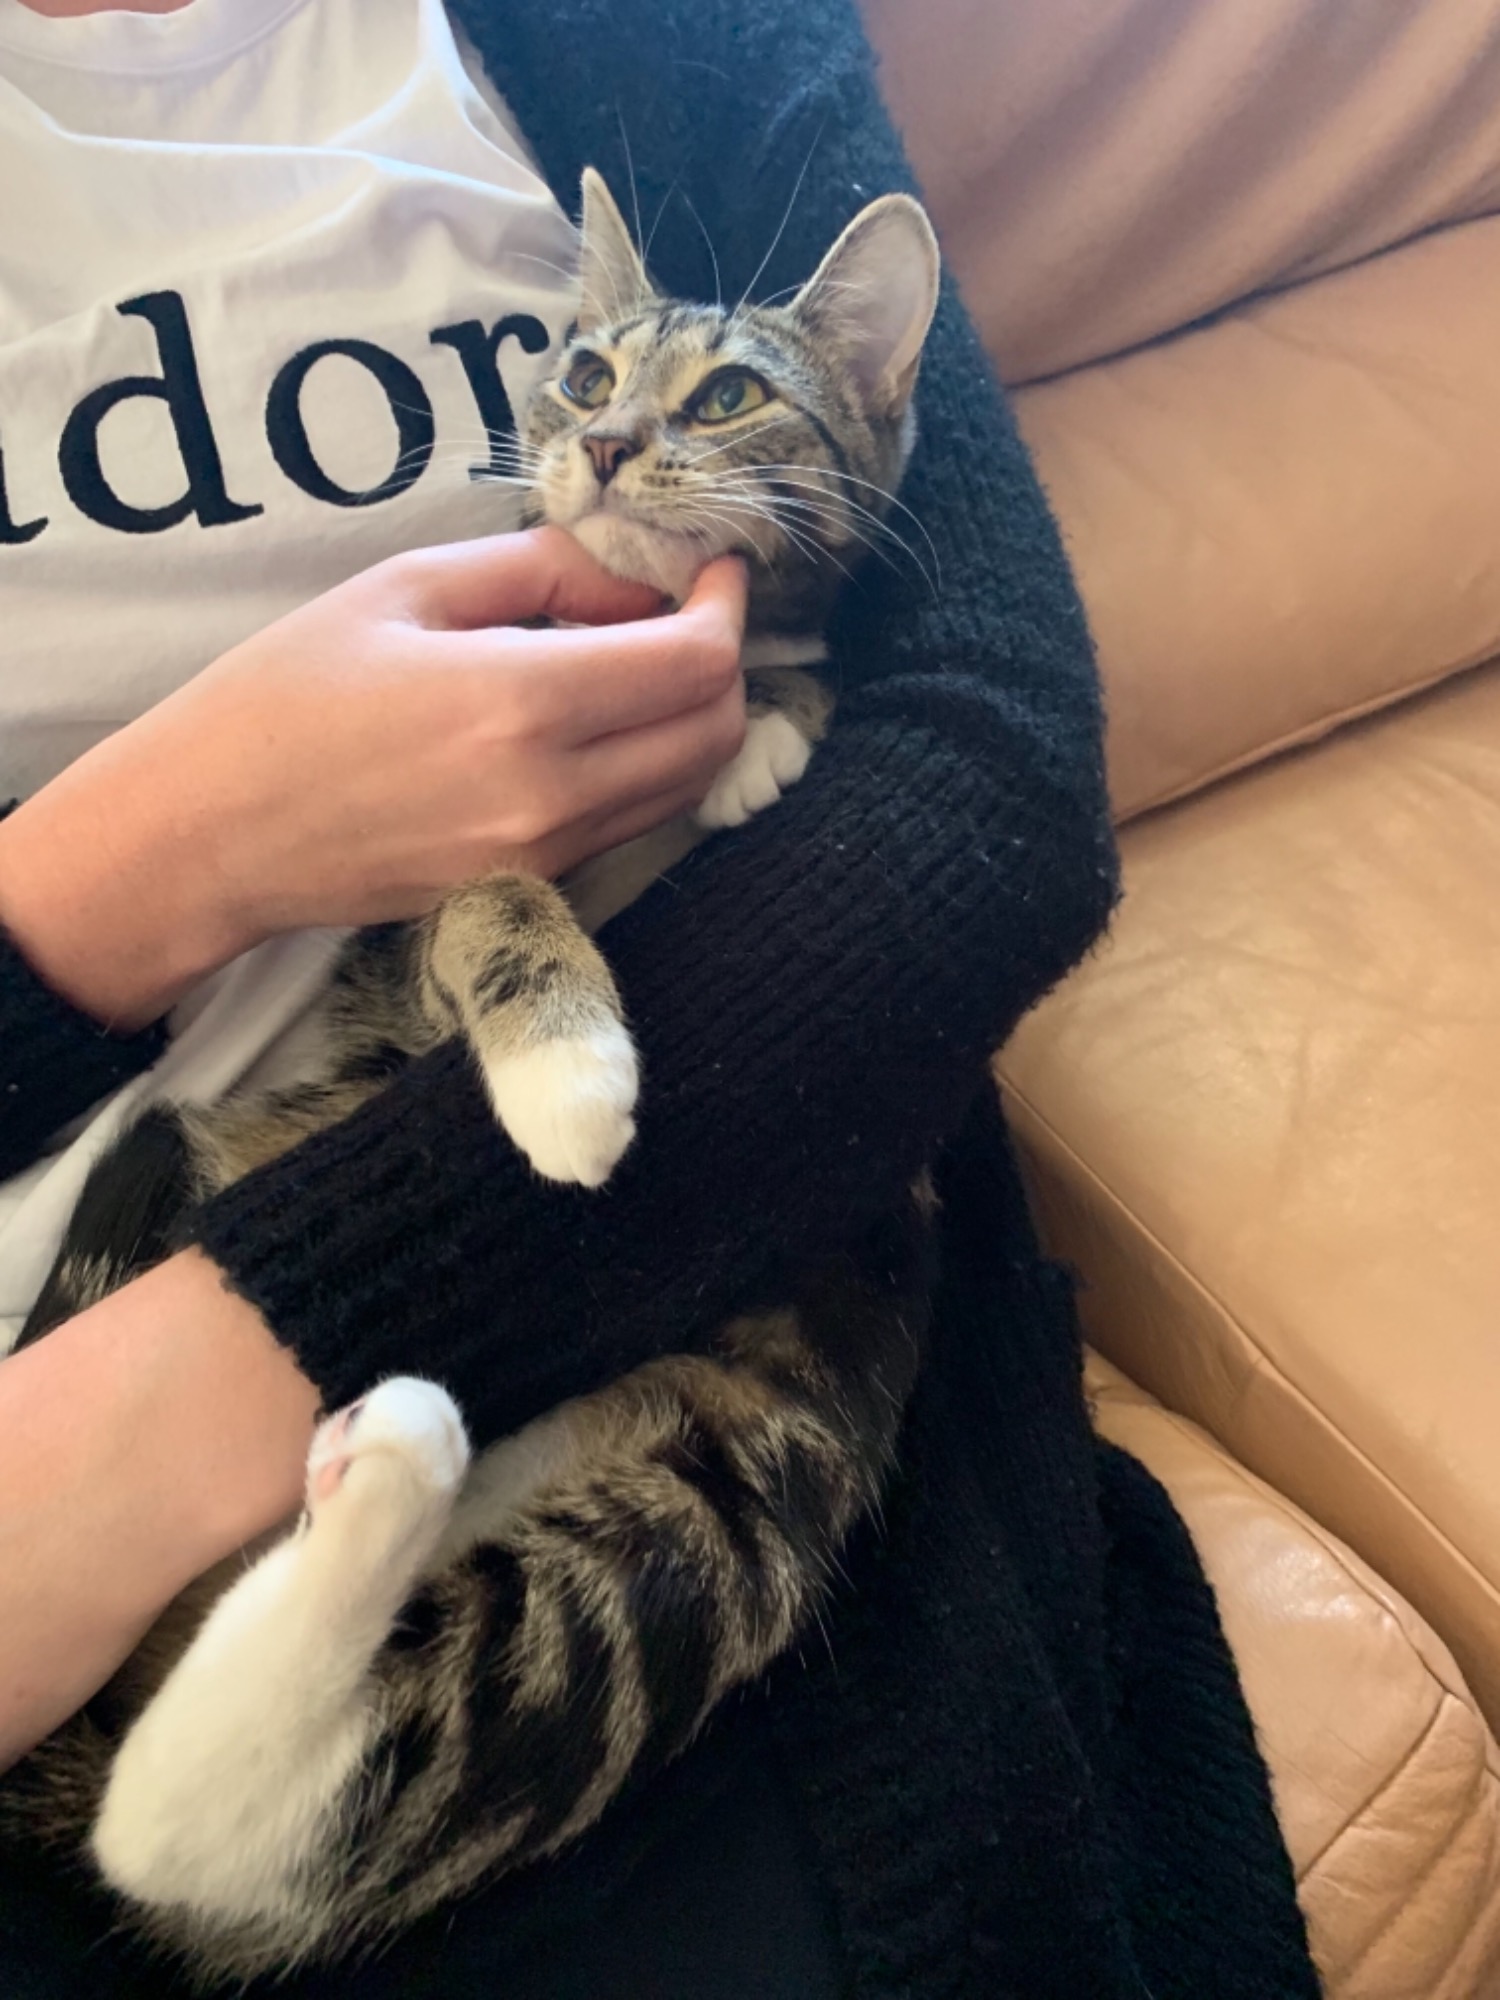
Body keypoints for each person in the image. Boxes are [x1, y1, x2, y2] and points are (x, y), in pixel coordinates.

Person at [0, 0, 1323, 1995]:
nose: (619, 435)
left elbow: (992, 780)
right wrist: (152, 859)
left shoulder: (647, 38)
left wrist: (214, 1365)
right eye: (604, 388)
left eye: (692, 404)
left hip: (611, 1307)